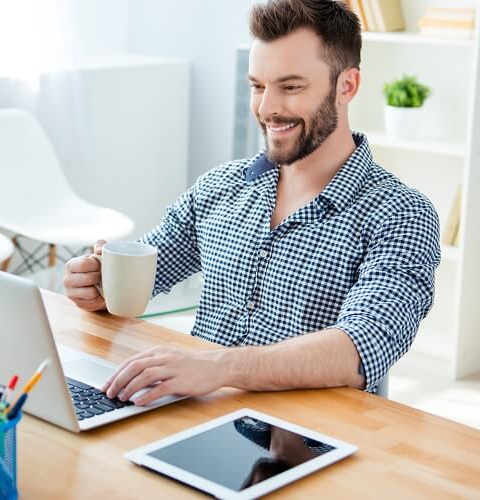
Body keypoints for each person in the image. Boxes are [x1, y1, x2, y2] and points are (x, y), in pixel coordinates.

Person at [63, 0, 440, 406]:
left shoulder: (402, 215)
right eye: (258, 86)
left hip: (303, 439)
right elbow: (147, 274)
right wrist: (97, 284)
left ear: (346, 86)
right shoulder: (220, 186)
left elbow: (361, 348)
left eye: (291, 87)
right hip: (193, 412)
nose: (266, 108)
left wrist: (218, 367)